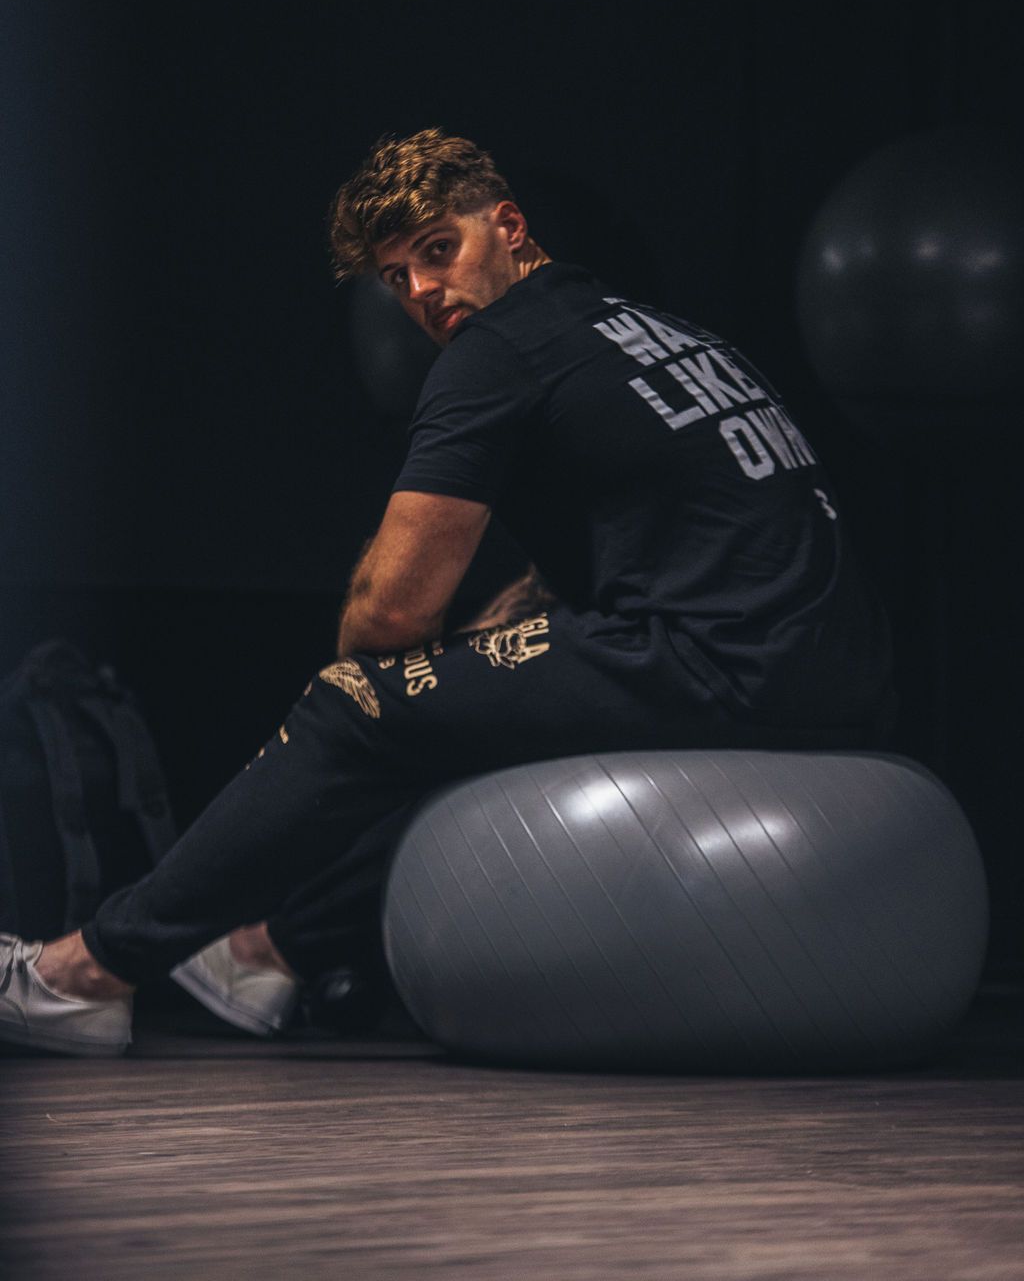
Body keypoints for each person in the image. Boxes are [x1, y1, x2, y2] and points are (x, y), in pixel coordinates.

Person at [0, 128, 896, 1057]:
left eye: (439, 250)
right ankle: (270, 948)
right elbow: (689, 523)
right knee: (465, 706)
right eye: (396, 276)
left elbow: (390, 617)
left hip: (716, 665)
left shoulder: (496, 351)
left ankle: (86, 972)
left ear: (506, 226)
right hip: (844, 684)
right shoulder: (656, 333)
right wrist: (496, 640)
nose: (422, 291)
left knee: (354, 705)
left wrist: (400, 673)